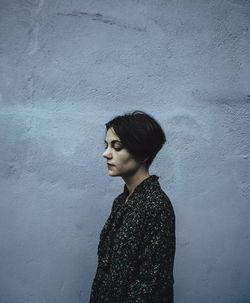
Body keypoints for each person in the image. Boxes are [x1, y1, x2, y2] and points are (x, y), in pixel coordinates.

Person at [89, 110, 175, 303]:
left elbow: (151, 285)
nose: (106, 154)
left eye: (116, 147)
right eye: (106, 145)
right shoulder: (121, 202)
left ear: (143, 154)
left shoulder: (156, 205)